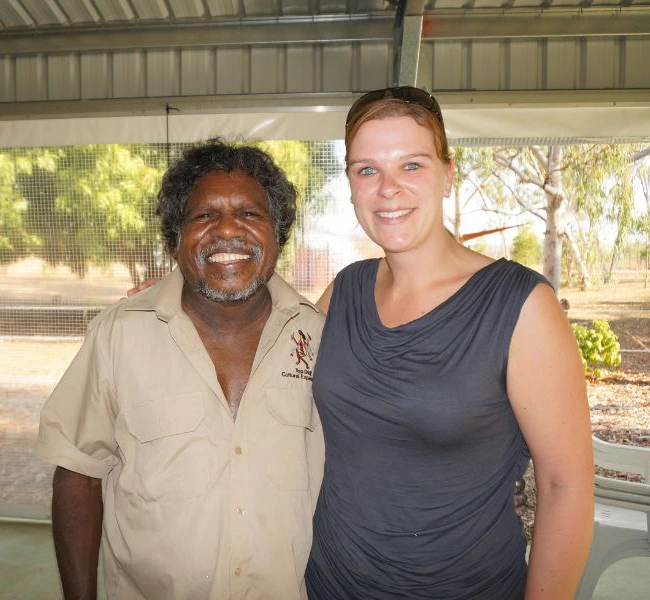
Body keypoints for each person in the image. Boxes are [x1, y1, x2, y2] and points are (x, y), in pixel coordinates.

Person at [304, 87, 594, 599]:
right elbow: (267, 346)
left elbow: (564, 487)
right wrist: (192, 298)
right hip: (329, 584)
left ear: (448, 175)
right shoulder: (343, 292)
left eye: (411, 165)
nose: (387, 188)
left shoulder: (520, 306)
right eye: (366, 169)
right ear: (349, 184)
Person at [36, 140, 325, 600]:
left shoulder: (320, 337)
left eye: (250, 214)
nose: (227, 230)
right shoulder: (119, 335)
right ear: (175, 237)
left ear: (278, 231)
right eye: (204, 215)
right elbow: (77, 474)